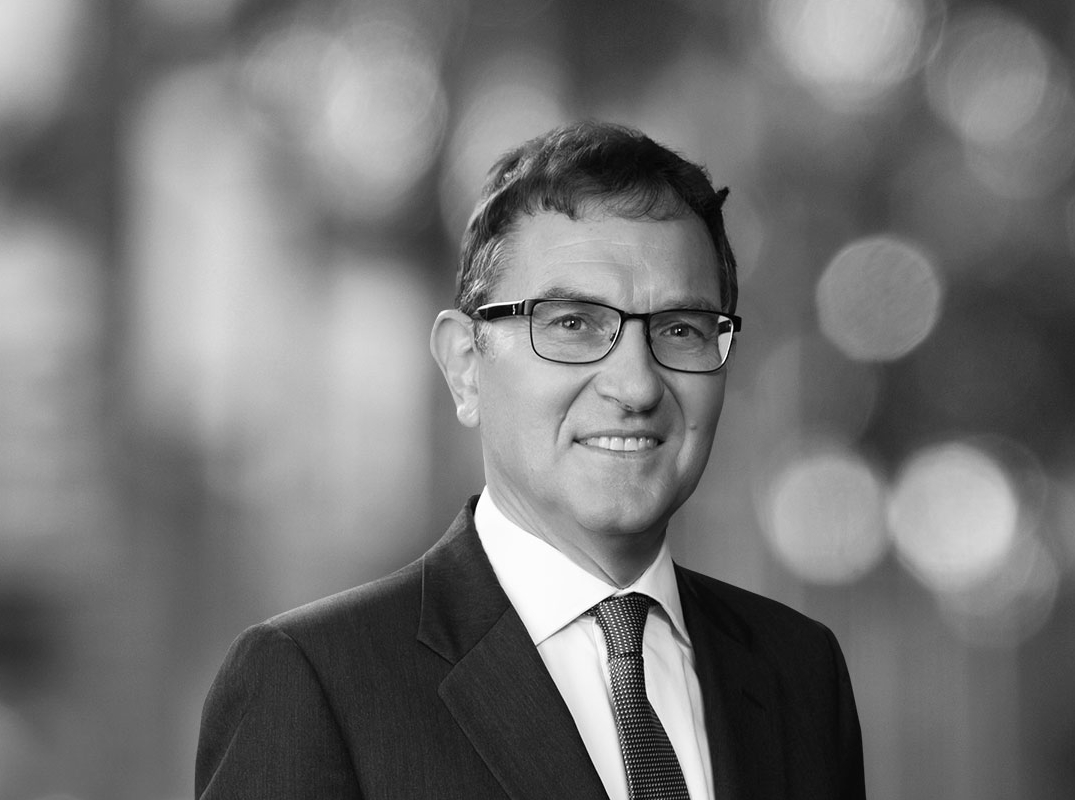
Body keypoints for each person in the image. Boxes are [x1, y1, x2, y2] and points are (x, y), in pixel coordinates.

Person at [195, 121, 866, 799]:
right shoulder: (316, 682)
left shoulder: (800, 673)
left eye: (680, 330)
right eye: (573, 324)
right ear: (465, 365)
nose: (636, 386)